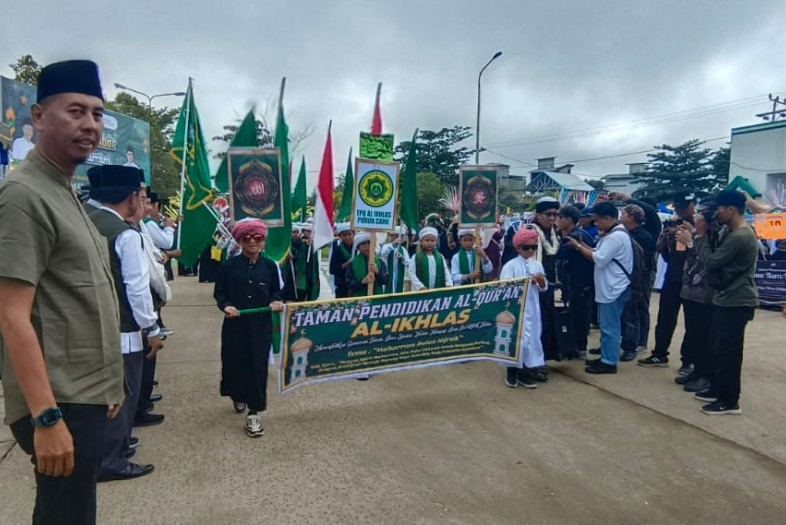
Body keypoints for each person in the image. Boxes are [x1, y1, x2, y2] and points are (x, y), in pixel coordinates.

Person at [0, 59, 125, 524]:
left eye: (96, 113)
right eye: (75, 111)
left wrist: (108, 380)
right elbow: (12, 316)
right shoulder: (24, 195)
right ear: (37, 116)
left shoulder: (64, 190)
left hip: (83, 393)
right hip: (58, 402)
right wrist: (46, 418)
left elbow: (79, 297)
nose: (90, 125)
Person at [87, 165, 161, 482]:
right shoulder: (127, 235)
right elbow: (137, 288)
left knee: (101, 393)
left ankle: (106, 449)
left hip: (91, 325)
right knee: (124, 392)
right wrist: (153, 328)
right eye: (139, 196)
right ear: (132, 198)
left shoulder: (88, 222)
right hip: (124, 329)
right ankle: (112, 460)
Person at [684, 190, 759, 415]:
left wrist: (699, 237)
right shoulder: (732, 232)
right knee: (718, 348)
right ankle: (718, 388)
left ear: (730, 209)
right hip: (726, 298)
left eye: (718, 209)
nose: (715, 213)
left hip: (737, 300)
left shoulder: (741, 236)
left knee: (728, 352)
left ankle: (728, 400)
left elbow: (711, 262)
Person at [214, 219, 283, 436]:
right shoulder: (227, 266)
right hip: (235, 325)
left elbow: (277, 291)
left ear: (263, 240)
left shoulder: (271, 266)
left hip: (260, 326)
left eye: (258, 237)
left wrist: (275, 301)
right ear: (240, 240)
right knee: (235, 364)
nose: (253, 242)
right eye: (247, 237)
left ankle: (254, 413)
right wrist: (227, 306)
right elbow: (220, 294)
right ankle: (238, 396)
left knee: (257, 367)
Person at [567, 201, 633, 374]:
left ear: (608, 218)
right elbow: (598, 252)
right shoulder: (614, 234)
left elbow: (599, 259)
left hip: (613, 288)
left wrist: (578, 246)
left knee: (610, 327)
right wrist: (583, 245)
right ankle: (606, 356)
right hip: (610, 286)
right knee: (606, 325)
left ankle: (609, 362)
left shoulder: (615, 237)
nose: (595, 223)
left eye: (597, 220)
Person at [640, 190, 696, 371]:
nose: (681, 211)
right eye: (679, 207)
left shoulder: (702, 224)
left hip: (692, 280)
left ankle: (688, 361)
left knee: (692, 323)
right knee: (665, 318)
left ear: (692, 204)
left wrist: (691, 235)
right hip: (672, 277)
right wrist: (667, 238)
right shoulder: (674, 223)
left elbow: (703, 252)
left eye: (685, 207)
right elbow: (663, 254)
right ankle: (659, 353)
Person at [500, 227, 549, 388]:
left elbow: (544, 287)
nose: (530, 251)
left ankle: (526, 371)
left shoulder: (537, 265)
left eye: (533, 247)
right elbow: (504, 286)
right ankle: (512, 369)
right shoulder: (510, 265)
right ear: (518, 247)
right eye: (526, 247)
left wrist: (540, 281)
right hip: (516, 308)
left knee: (532, 338)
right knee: (517, 339)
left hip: (533, 308)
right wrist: (526, 281)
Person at [674, 210, 716, 394]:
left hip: (705, 294)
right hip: (689, 290)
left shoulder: (712, 240)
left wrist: (691, 243)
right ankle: (696, 371)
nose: (694, 224)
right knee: (692, 334)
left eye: (698, 221)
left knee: (703, 335)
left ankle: (705, 375)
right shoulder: (696, 237)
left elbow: (709, 263)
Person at [556, 205, 595, 359]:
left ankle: (578, 348)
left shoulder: (577, 237)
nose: (557, 221)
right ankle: (574, 347)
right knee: (574, 315)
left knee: (579, 316)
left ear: (569, 219)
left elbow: (558, 254)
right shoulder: (573, 234)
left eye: (560, 217)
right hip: (572, 282)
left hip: (580, 282)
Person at [619, 204, 656, 362]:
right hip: (628, 276)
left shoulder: (642, 236)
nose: (621, 216)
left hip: (641, 276)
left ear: (631, 217)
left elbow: (644, 262)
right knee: (625, 310)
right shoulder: (625, 233)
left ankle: (638, 342)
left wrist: (639, 282)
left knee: (638, 308)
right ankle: (625, 340)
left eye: (624, 213)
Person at [532, 196, 560, 364]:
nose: (551, 218)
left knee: (547, 322)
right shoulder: (529, 232)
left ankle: (543, 358)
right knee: (535, 324)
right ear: (538, 215)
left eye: (555, 214)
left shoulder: (554, 233)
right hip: (532, 287)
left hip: (548, 287)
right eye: (548, 214)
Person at [346, 232, 389, 297]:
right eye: (363, 244)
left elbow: (385, 280)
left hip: (377, 301)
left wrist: (377, 272)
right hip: (359, 302)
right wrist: (362, 282)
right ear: (358, 247)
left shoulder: (380, 262)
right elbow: (348, 284)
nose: (366, 246)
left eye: (369, 243)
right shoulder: (352, 263)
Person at [380, 226, 411, 294]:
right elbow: (383, 253)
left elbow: (408, 263)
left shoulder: (403, 249)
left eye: (400, 236)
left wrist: (402, 258)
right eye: (396, 236)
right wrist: (393, 244)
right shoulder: (387, 246)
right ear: (392, 236)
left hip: (398, 274)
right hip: (388, 273)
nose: (398, 238)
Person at [329, 224, 354, 298]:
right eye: (344, 235)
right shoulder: (338, 250)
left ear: (353, 234)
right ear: (340, 236)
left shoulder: (358, 248)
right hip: (341, 285)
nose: (347, 237)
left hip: (357, 286)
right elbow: (332, 269)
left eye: (349, 234)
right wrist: (347, 264)